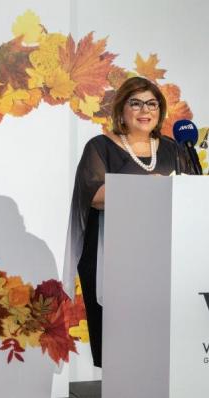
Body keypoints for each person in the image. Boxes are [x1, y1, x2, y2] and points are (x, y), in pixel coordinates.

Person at [62, 76, 190, 367]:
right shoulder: (101, 147)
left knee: (159, 346)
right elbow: (95, 196)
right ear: (121, 110)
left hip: (162, 256)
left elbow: (187, 192)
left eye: (152, 104)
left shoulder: (173, 149)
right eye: (136, 103)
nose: (145, 110)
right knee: (121, 350)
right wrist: (146, 187)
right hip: (112, 258)